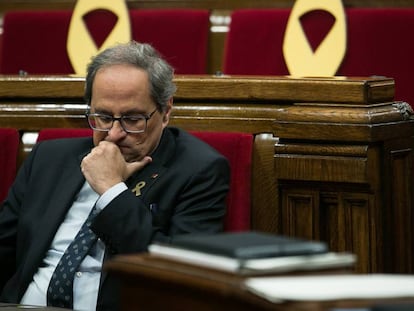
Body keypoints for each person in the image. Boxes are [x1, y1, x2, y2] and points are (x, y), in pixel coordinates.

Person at [0, 41, 230, 310]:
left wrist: (111, 192)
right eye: (103, 117)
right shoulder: (48, 158)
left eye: (133, 119)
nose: (114, 134)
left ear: (166, 111)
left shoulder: (200, 170)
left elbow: (181, 277)